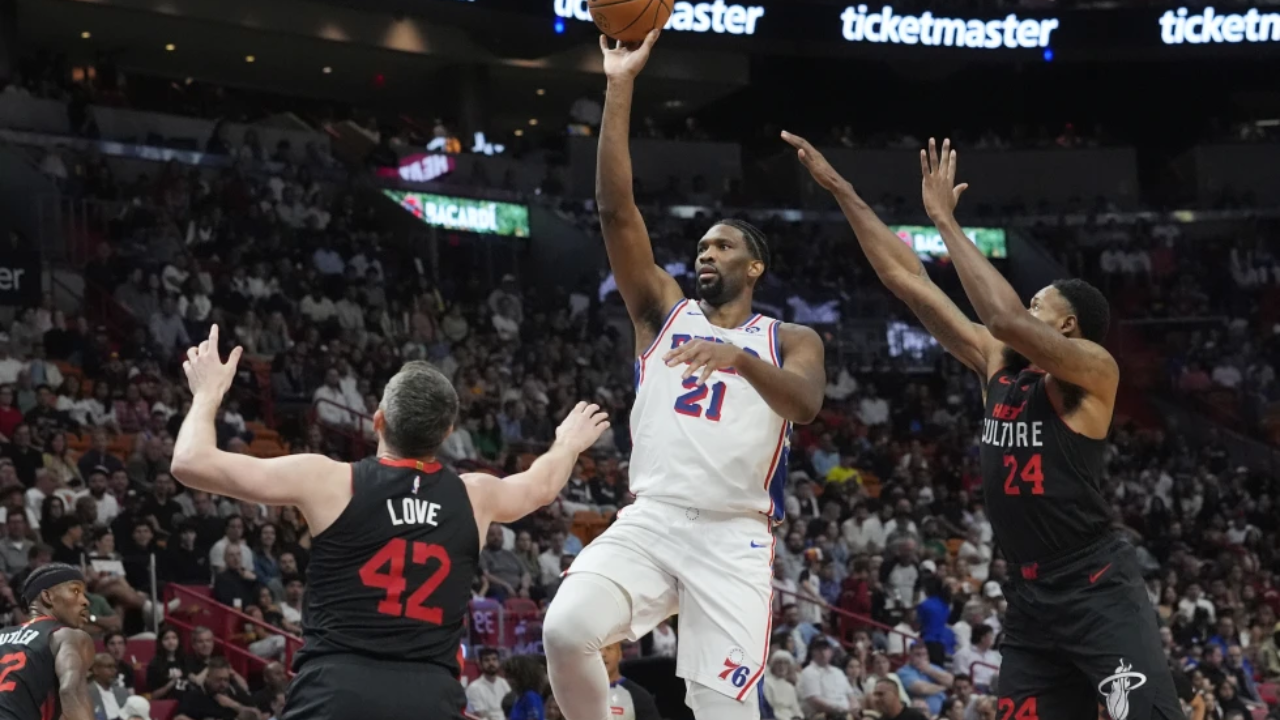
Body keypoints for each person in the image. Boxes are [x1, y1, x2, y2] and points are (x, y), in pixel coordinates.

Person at [785, 132, 1182, 719]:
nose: (1026, 306)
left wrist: (945, 222)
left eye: (1039, 304)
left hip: (1096, 587)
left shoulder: (1094, 371)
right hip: (1029, 599)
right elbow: (907, 280)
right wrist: (843, 190)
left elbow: (1002, 315)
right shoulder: (996, 364)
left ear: (1067, 326)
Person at [543, 32, 826, 720]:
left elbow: (807, 405)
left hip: (734, 537)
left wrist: (740, 360)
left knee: (720, 708)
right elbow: (616, 211)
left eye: (723, 245)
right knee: (566, 630)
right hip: (655, 517)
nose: (706, 253)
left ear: (754, 267)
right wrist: (619, 84)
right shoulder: (661, 313)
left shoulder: (789, 338)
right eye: (700, 245)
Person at [170, 325, 611, 720]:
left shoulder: (330, 480)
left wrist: (208, 393)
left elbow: (190, 462)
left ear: (377, 420)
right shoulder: (475, 495)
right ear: (446, 433)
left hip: (334, 692)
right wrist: (567, 443)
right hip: (429, 697)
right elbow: (541, 485)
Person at [0, 562, 96, 720]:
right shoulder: (65, 635)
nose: (85, 601)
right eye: (76, 591)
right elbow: (71, 692)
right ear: (47, 597)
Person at [601, 642, 661, 720]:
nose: (603, 654)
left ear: (619, 654)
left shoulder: (640, 697)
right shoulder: (581, 694)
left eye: (609, 648)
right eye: (598, 650)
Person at [465, 648, 510, 720]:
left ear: (499, 662)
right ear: (480, 664)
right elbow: (482, 715)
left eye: (494, 659)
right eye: (487, 660)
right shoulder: (474, 688)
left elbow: (511, 710)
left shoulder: (504, 683)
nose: (491, 663)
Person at [88, 652, 130, 719]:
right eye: (109, 667)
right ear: (95, 670)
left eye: (115, 667)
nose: (114, 671)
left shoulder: (122, 692)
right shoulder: (86, 694)